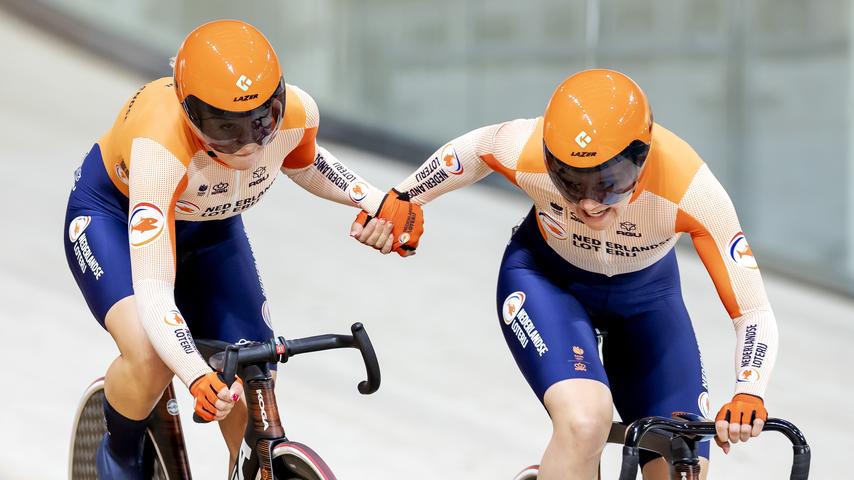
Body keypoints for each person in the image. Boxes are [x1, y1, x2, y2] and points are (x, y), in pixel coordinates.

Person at [352, 69, 778, 479]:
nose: (589, 204)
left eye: (609, 184)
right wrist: (400, 201)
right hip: (546, 282)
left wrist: (748, 389)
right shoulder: (525, 148)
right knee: (585, 421)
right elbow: (472, 150)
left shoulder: (690, 188)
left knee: (680, 457)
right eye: (570, 183)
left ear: (642, 156)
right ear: (550, 159)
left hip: (647, 302)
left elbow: (752, 309)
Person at [63, 19, 418, 478]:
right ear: (189, 114)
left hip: (209, 227)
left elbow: (304, 161)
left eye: (263, 120)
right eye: (225, 128)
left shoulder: (297, 114)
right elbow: (153, 289)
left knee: (250, 368)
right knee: (151, 358)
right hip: (113, 216)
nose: (250, 144)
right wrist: (194, 373)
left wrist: (379, 202)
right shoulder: (160, 146)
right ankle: (119, 455)